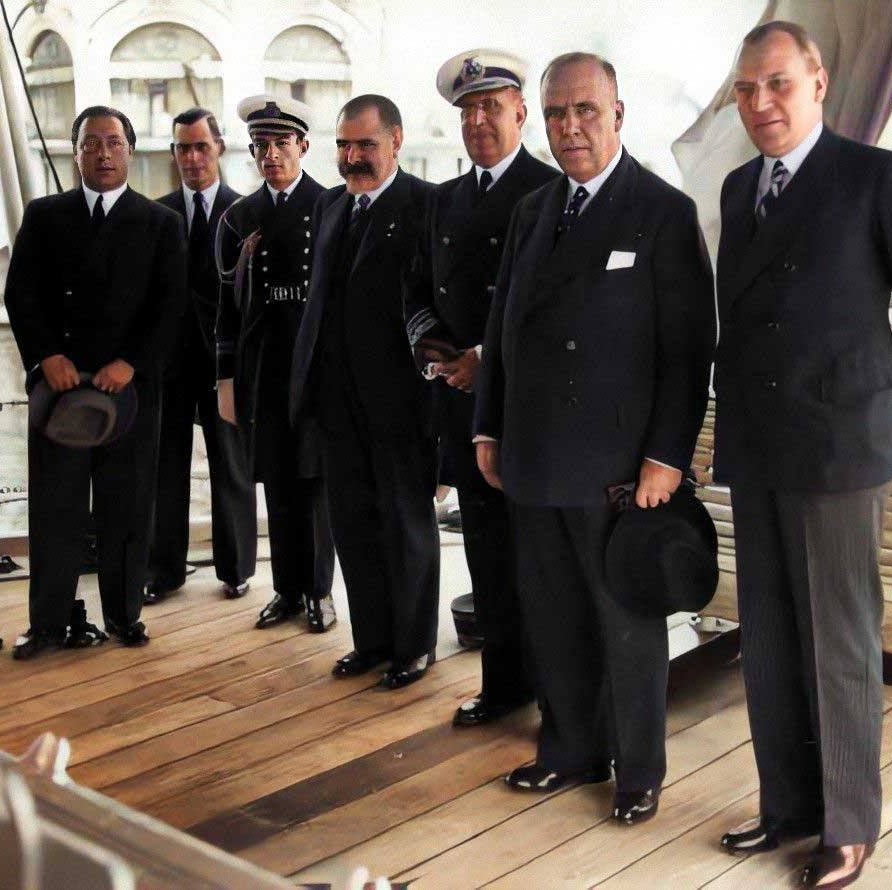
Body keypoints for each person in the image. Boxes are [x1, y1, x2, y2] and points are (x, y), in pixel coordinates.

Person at [714, 23, 892, 887]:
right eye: (747, 90)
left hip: (839, 452)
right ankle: (787, 806)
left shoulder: (874, 176)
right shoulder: (740, 187)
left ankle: (849, 824)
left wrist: (882, 411)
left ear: (817, 81)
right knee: (772, 638)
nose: (761, 105)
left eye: (777, 84)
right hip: (760, 446)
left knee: (841, 644)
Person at [473, 54, 714, 821]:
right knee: (553, 616)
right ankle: (570, 751)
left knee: (627, 622)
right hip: (533, 455)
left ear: (617, 113)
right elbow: (502, 328)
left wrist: (666, 457)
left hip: (618, 465)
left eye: (584, 110)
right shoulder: (533, 211)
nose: (569, 127)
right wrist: (487, 426)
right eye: (555, 114)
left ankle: (638, 772)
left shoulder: (663, 211)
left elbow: (688, 349)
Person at [405, 49, 557, 727]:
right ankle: (503, 687)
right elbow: (415, 291)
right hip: (462, 407)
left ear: (521, 112)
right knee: (486, 556)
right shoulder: (444, 201)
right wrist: (436, 352)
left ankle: (559, 696)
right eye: (467, 111)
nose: (478, 122)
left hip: (529, 412)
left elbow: (552, 307)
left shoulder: (552, 192)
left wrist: (482, 357)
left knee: (541, 559)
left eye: (491, 107)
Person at [5, 105, 187, 659]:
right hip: (61, 390)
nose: (102, 154)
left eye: (113, 143)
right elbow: (22, 295)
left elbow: (171, 304)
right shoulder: (44, 215)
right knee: (55, 508)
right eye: (91, 144)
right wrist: (46, 356)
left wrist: (131, 361)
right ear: (75, 151)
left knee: (127, 508)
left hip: (128, 390)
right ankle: (47, 623)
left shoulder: (160, 223)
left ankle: (124, 615)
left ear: (130, 150)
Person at [290, 95, 440, 689]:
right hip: (336, 401)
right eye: (344, 146)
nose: (352, 158)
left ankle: (415, 646)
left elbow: (436, 306)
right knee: (351, 523)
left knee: (406, 523)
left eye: (366, 146)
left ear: (396, 141)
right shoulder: (330, 206)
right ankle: (372, 641)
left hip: (400, 401)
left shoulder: (426, 205)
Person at [214, 94, 336, 633]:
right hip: (262, 367)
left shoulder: (331, 207)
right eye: (261, 146)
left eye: (282, 143)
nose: (271, 155)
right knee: (278, 482)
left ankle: (320, 592)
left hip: (314, 365)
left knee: (316, 483)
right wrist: (225, 379)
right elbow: (225, 306)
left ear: (303, 146)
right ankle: (286, 590)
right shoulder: (239, 216)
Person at [147, 108, 257, 604]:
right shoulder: (157, 214)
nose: (192, 158)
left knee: (230, 466)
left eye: (200, 147)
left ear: (220, 149)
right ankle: (163, 571)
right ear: (173, 154)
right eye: (183, 149)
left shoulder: (243, 213)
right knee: (163, 467)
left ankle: (236, 570)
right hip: (169, 363)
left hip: (224, 364)